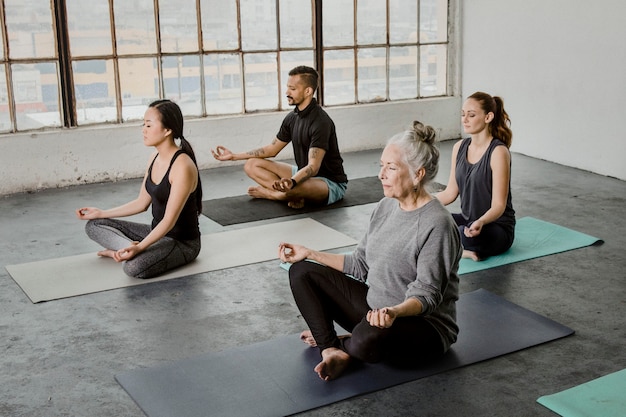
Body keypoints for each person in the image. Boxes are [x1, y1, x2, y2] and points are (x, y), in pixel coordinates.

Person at [278, 121, 462, 381]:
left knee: (369, 337)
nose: (381, 174)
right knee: (302, 272)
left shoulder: (438, 223)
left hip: (423, 327)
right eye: (381, 165)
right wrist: (310, 253)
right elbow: (360, 264)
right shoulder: (385, 206)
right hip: (375, 311)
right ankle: (332, 349)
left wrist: (393, 312)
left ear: (417, 174)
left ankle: (347, 344)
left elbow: (428, 296)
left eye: (391, 167)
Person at [76, 99, 203, 279]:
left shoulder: (182, 166)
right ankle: (125, 250)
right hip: (156, 233)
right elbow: (141, 203)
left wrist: (140, 247)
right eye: (143, 124)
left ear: (167, 130)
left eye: (149, 125)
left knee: (134, 268)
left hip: (181, 243)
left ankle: (124, 251)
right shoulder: (154, 158)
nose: (143, 130)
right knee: (94, 225)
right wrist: (101, 213)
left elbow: (168, 221)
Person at [211, 65, 348, 209]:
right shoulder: (292, 118)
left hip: (329, 183)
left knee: (293, 189)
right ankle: (291, 194)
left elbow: (313, 167)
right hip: (301, 173)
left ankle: (273, 194)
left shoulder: (320, 122)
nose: (287, 92)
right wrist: (233, 156)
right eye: (288, 87)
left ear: (308, 91)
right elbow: (272, 149)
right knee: (251, 164)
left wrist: (292, 182)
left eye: (293, 89)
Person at [436, 91, 516, 261]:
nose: (464, 120)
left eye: (471, 115)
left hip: (494, 227)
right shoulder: (459, 147)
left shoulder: (498, 152)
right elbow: (450, 193)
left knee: (463, 234)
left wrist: (480, 222)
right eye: (463, 114)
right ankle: (461, 251)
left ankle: (457, 248)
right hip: (467, 221)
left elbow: (499, 206)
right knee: (432, 220)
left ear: (488, 117)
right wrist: (419, 203)